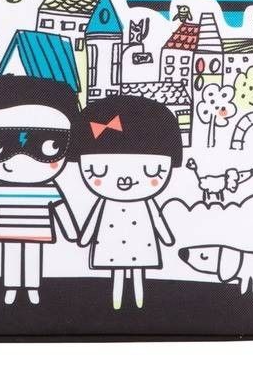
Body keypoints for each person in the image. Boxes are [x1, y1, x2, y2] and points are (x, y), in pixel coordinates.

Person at [0, 75, 80, 305]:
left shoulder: (48, 189)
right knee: (10, 257)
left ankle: (32, 287)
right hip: (8, 230)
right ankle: (11, 286)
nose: (21, 158)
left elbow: (60, 209)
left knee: (33, 257)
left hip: (37, 230)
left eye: (49, 145)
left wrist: (72, 233)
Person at [71, 95, 182, 309]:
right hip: (112, 240)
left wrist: (167, 237)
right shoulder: (106, 203)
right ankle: (117, 301)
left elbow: (157, 219)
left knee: (139, 271)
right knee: (117, 273)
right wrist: (83, 238)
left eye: (151, 170)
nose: (125, 180)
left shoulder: (145, 203)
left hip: (141, 239)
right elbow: (93, 221)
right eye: (99, 170)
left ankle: (139, 301)